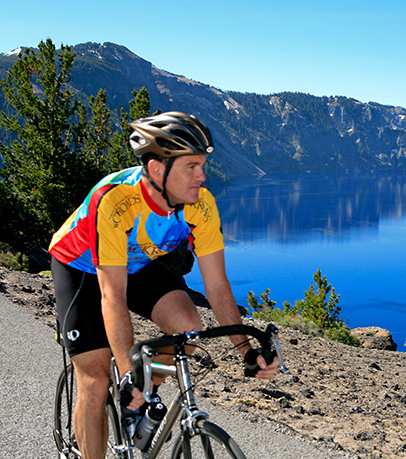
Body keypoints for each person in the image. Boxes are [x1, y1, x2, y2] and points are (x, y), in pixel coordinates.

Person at [49, 111, 279, 458]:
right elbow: (113, 295)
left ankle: (141, 396)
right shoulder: (114, 202)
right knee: (96, 381)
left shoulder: (201, 205)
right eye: (191, 167)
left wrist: (247, 350)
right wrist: (126, 373)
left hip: (137, 262)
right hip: (80, 267)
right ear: (157, 169)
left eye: (203, 165)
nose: (202, 176)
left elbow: (217, 286)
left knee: (187, 330)